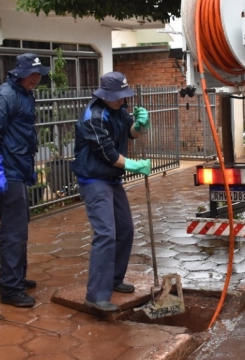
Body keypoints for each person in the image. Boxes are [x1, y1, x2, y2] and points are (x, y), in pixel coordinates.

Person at [71, 71, 151, 312]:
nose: (123, 100)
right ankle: (96, 295)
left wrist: (139, 125)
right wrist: (133, 164)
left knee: (125, 228)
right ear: (106, 95)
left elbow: (130, 133)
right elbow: (106, 152)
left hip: (111, 179)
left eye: (125, 96)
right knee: (106, 232)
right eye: (119, 96)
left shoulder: (118, 110)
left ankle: (114, 279)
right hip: (94, 179)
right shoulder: (93, 116)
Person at [0, 53, 50, 308]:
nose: (37, 78)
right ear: (20, 73)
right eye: (33, 74)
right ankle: (11, 288)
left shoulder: (24, 94)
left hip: (17, 168)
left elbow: (22, 136)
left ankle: (15, 277)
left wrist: (28, 168)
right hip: (6, 171)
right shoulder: (4, 97)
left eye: (39, 74)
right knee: (14, 230)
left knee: (20, 226)